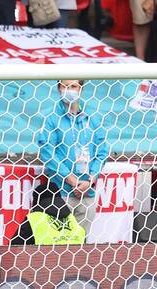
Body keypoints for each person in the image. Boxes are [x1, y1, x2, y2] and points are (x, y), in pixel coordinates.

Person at [37, 80, 106, 236]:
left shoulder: (92, 119)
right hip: (61, 193)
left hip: (87, 192)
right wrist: (70, 179)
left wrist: (90, 180)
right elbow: (46, 151)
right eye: (65, 86)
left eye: (73, 86)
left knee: (81, 242)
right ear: (59, 89)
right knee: (59, 244)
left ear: (80, 89)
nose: (69, 90)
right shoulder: (51, 119)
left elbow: (102, 153)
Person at [15, 185, 86, 246]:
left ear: (36, 201)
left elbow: (14, 247)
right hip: (75, 260)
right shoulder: (71, 218)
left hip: (44, 260)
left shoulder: (34, 219)